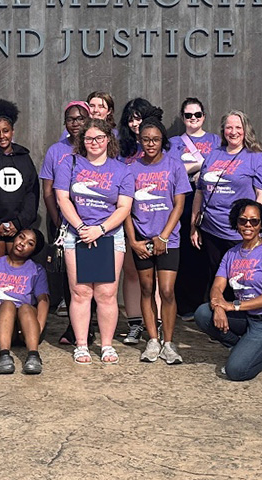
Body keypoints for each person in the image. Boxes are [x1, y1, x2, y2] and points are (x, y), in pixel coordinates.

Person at [54, 117, 134, 365]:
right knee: (80, 292)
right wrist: (80, 227)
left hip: (109, 236)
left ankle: (107, 345)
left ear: (108, 139)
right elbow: (62, 199)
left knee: (107, 293)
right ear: (82, 141)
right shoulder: (70, 163)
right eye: (89, 138)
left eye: (100, 137)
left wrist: (100, 229)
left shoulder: (122, 170)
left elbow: (124, 207)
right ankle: (81, 345)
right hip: (76, 234)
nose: (94, 142)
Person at [194, 200, 262, 380]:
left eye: (254, 221)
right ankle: (245, 350)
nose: (248, 225)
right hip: (248, 316)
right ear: (236, 223)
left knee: (237, 371)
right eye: (243, 221)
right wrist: (219, 306)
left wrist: (232, 306)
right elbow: (217, 286)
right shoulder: (232, 253)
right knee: (203, 313)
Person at [124, 118, 190, 364]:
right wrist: (133, 241)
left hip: (168, 239)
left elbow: (179, 204)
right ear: (139, 140)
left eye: (155, 139)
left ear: (163, 140)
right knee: (145, 289)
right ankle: (152, 340)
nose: (151, 144)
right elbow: (126, 208)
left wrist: (164, 236)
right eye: (146, 139)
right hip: (141, 239)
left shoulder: (175, 166)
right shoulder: (131, 168)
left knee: (167, 291)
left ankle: (169, 343)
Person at [190, 110, 262, 280]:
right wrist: (194, 225)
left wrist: (254, 229)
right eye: (229, 127)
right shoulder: (214, 154)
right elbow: (199, 192)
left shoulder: (257, 158)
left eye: (238, 127)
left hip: (240, 233)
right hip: (211, 230)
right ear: (223, 130)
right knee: (216, 278)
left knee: (240, 280)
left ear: (246, 130)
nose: (233, 132)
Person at [39, 101, 90, 341]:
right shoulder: (55, 151)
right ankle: (74, 326)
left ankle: (91, 327)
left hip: (93, 223)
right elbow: (48, 190)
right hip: (62, 223)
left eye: (81, 118)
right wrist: (58, 219)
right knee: (71, 278)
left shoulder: (98, 146)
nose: (76, 123)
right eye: (71, 119)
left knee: (94, 276)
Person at [115, 98, 163, 345]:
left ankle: (156, 323)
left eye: (139, 117)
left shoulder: (162, 146)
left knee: (155, 277)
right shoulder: (120, 149)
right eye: (131, 118)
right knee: (132, 274)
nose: (135, 123)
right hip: (127, 219)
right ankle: (135, 324)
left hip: (155, 220)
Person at [174, 98, 222, 317]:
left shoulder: (216, 140)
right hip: (183, 203)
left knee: (209, 256)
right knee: (186, 255)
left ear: (204, 116)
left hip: (212, 202)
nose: (193, 119)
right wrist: (204, 165)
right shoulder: (174, 142)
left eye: (197, 115)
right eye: (188, 115)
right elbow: (174, 171)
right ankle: (186, 305)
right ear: (183, 118)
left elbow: (223, 166)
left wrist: (192, 168)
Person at [0, 230, 49, 375]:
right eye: (21, 237)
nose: (22, 243)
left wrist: (39, 328)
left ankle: (33, 356)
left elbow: (43, 300)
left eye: (30, 243)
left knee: (25, 308)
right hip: (1, 327)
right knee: (8, 304)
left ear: (33, 251)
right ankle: (4, 356)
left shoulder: (36, 269)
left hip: (27, 328)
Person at [0, 100, 40, 260]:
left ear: (12, 131)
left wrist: (18, 223)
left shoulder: (24, 157)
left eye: (6, 131)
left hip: (17, 228)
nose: (2, 136)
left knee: (14, 273)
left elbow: (32, 193)